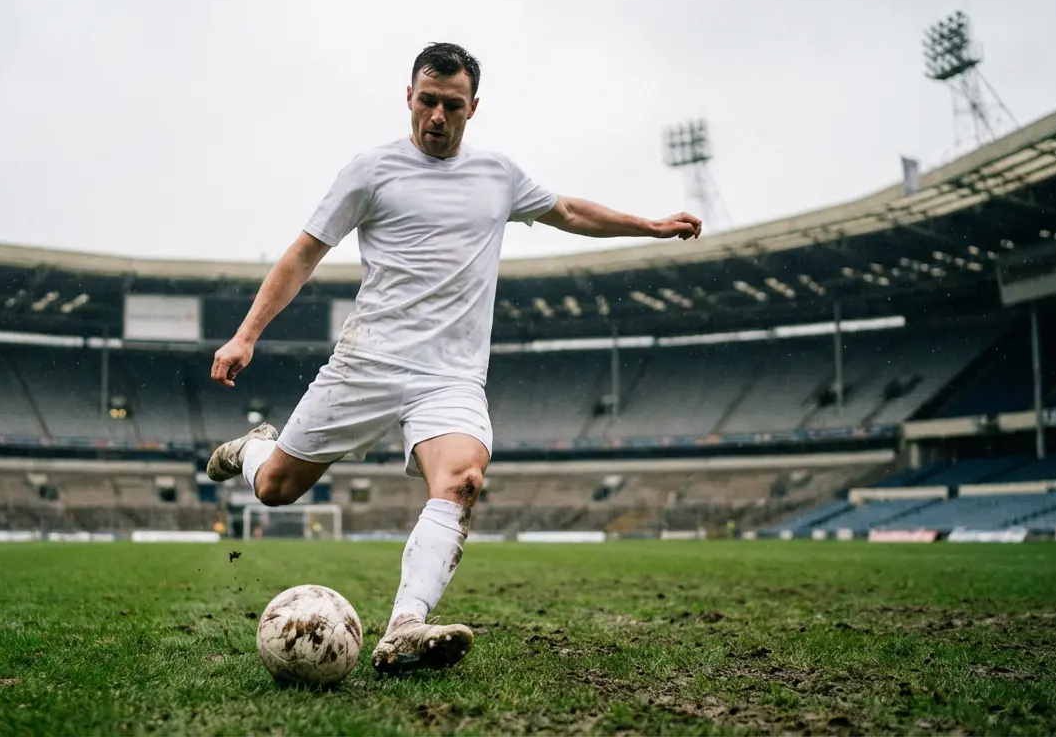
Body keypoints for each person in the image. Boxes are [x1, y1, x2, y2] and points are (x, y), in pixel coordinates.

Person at [206, 42, 702, 674]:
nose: (437, 116)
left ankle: (405, 625)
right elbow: (302, 255)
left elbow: (570, 211)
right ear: (409, 98)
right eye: (427, 101)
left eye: (452, 105)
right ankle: (250, 448)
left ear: (473, 107)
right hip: (368, 363)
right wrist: (245, 334)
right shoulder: (370, 170)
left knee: (463, 479)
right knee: (276, 489)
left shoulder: (497, 175)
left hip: (450, 376)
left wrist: (651, 227)